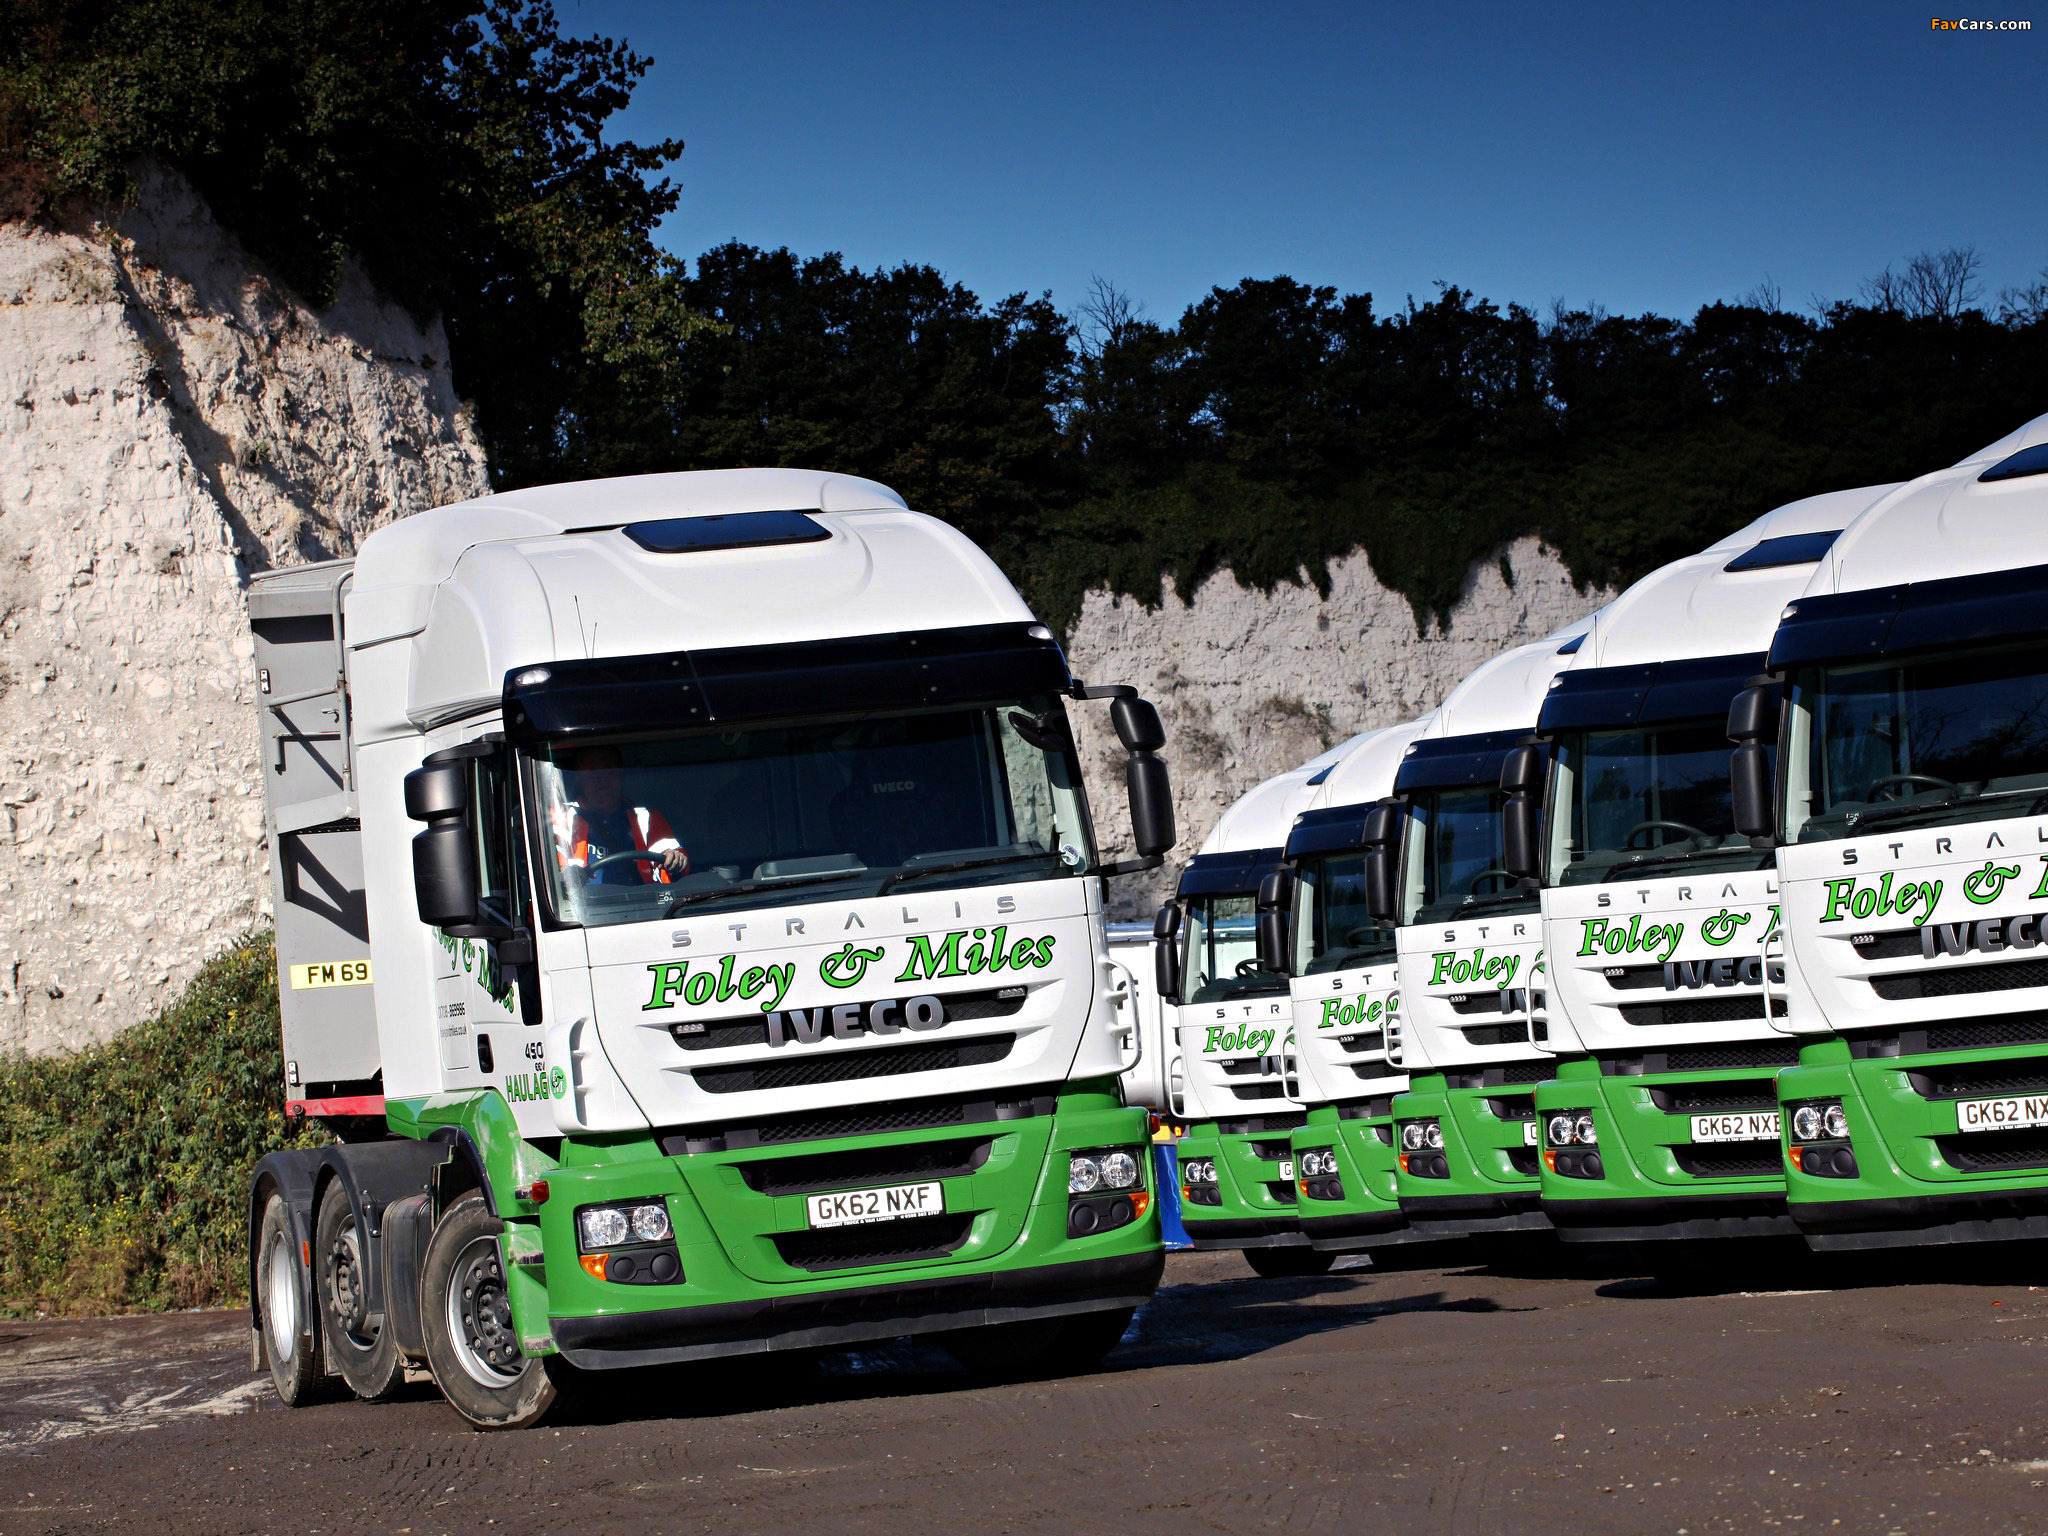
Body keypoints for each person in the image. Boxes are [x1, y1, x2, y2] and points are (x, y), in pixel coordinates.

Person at [551, 745, 690, 885]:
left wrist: (674, 858)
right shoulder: (562, 817)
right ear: (578, 778)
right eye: (591, 770)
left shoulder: (646, 818)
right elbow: (556, 867)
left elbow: (674, 858)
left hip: (643, 898)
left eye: (607, 769)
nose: (601, 779)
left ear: (620, 773)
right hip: (585, 899)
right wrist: (567, 872)